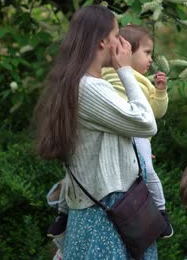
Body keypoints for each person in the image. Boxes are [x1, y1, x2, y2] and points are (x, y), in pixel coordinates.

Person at [34, 5, 159, 259]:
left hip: (94, 213)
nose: (121, 41)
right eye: (116, 35)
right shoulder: (90, 88)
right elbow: (147, 123)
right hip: (106, 215)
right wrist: (125, 70)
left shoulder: (79, 84)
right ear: (103, 41)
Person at [45, 24, 173, 239]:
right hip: (112, 134)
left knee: (148, 171)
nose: (151, 60)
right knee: (72, 174)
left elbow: (154, 115)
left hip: (137, 135)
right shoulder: (103, 74)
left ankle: (160, 211)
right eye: (147, 52)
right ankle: (62, 213)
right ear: (127, 51)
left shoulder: (143, 82)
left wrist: (160, 92)